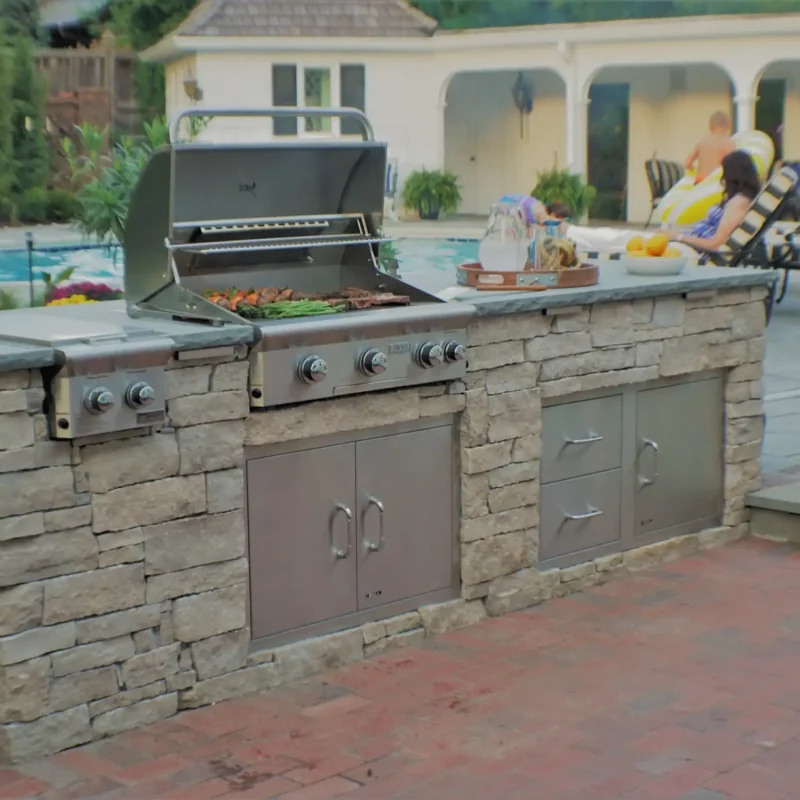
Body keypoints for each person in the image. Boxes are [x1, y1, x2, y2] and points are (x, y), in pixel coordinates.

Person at [564, 150, 761, 257]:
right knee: (625, 237)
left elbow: (715, 244)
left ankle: (570, 234)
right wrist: (676, 234)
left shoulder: (739, 203)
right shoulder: (740, 199)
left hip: (690, 251)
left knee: (624, 240)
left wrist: (678, 236)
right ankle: (571, 234)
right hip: (686, 244)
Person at [684, 111, 736, 184]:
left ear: (710, 126)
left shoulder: (702, 142)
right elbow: (733, 165)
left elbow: (688, 163)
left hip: (700, 181)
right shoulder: (728, 143)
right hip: (716, 183)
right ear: (729, 126)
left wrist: (694, 171)